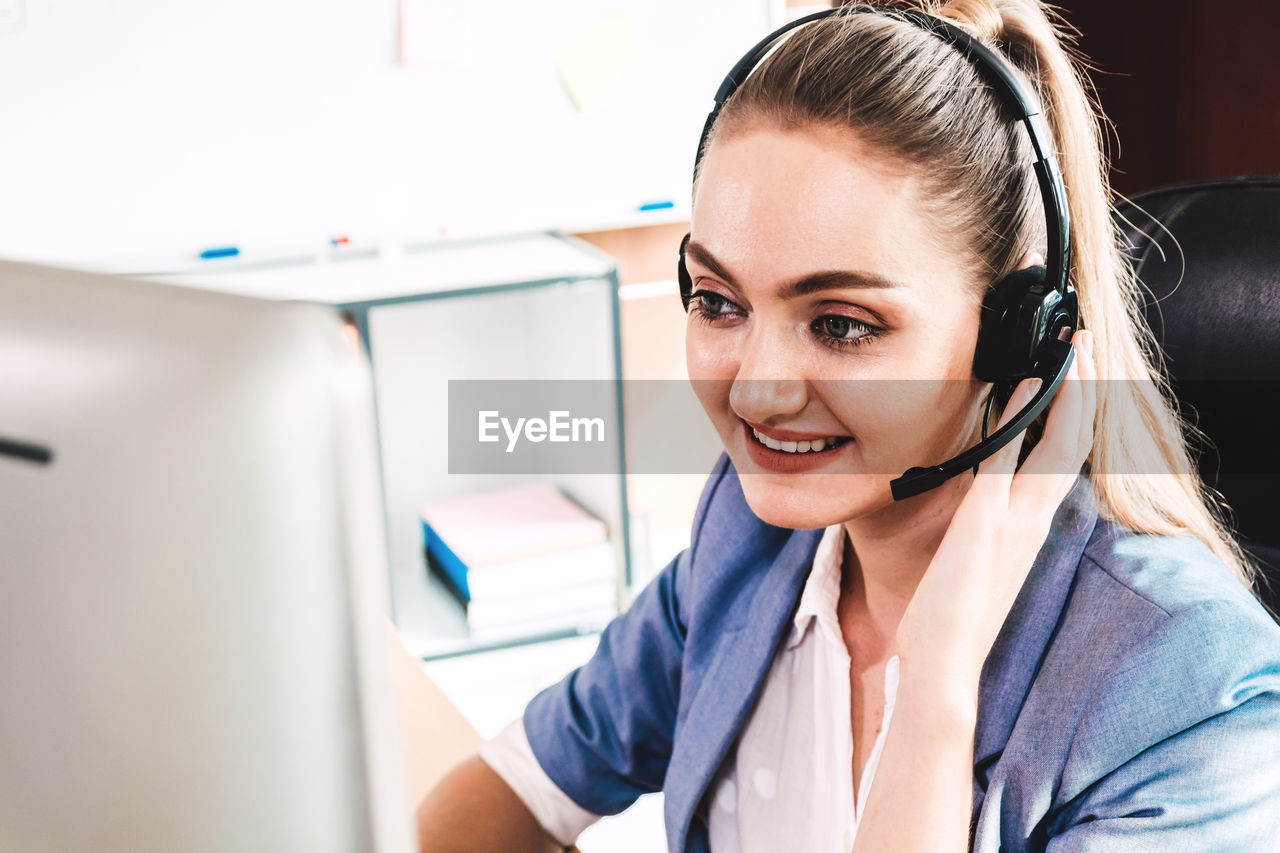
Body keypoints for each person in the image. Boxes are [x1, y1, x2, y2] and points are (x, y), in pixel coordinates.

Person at [416, 1, 1280, 850]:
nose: (756, 394)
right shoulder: (754, 537)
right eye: (718, 302)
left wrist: (936, 685)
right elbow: (512, 785)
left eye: (841, 323)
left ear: (1020, 336)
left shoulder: (1193, 696)